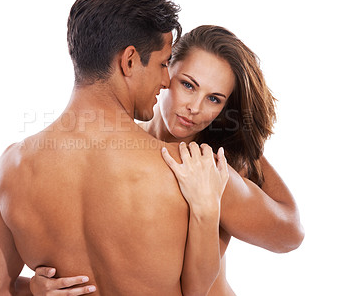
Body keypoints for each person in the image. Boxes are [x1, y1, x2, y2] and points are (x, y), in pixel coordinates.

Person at [0, 0, 229, 296]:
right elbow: (289, 233)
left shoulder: (11, 168)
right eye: (164, 64)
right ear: (130, 60)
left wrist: (33, 291)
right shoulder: (186, 168)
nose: (166, 81)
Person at [25, 25, 305, 295]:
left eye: (214, 100)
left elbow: (290, 234)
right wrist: (32, 288)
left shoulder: (214, 168)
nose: (194, 108)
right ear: (165, 70)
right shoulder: (115, 150)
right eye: (188, 85)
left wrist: (243, 144)